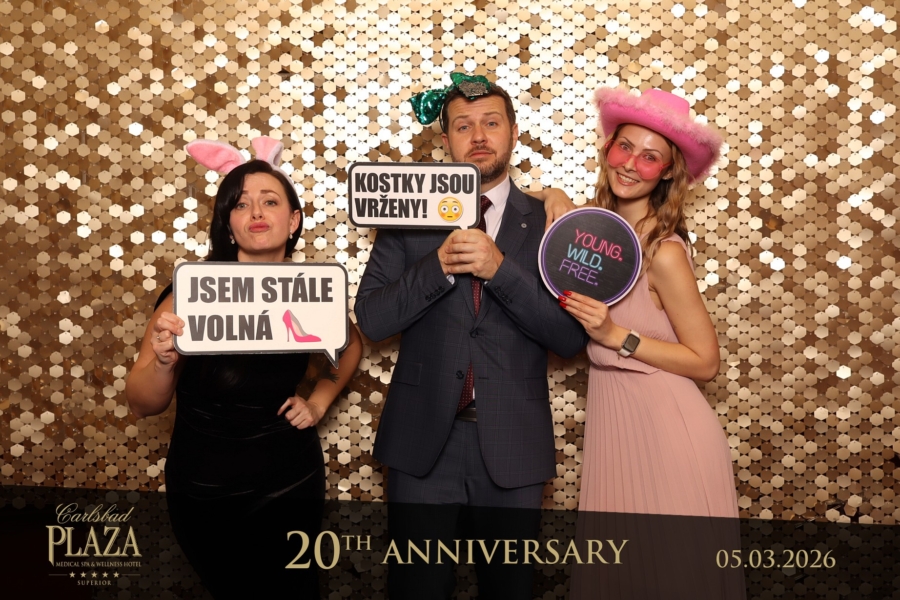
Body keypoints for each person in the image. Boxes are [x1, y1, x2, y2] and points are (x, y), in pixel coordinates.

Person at [355, 74, 589, 599]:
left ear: (513, 132)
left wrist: (500, 270)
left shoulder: (552, 221)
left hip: (514, 442)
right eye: (463, 126)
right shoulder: (409, 214)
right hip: (421, 441)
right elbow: (370, 319)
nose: (478, 136)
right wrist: (436, 265)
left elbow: (570, 337)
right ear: (446, 141)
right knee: (416, 588)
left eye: (491, 123)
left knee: (510, 588)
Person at [125, 137, 362, 598]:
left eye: (270, 201)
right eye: (240, 204)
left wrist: (318, 402)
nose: (256, 211)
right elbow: (141, 404)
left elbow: (350, 346)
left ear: (293, 221)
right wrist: (165, 362)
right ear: (229, 225)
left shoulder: (312, 291)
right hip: (204, 481)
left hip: (289, 477)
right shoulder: (190, 292)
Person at [560, 88, 743, 598]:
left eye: (649, 156)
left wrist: (615, 335)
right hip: (615, 423)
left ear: (666, 172)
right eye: (625, 147)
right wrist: (552, 194)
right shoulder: (593, 236)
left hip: (666, 429)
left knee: (670, 580)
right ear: (607, 149)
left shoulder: (662, 251)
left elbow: (705, 361)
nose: (631, 164)